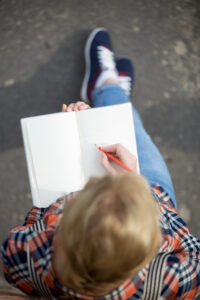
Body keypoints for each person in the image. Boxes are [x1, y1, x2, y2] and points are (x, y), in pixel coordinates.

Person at [1, 28, 200, 300]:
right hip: (151, 192)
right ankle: (109, 88)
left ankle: (108, 88)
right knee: (133, 134)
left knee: (123, 128)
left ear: (63, 230)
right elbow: (192, 247)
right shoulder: (174, 278)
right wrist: (136, 183)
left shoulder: (28, 253)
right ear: (148, 250)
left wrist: (70, 150)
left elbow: (25, 234)